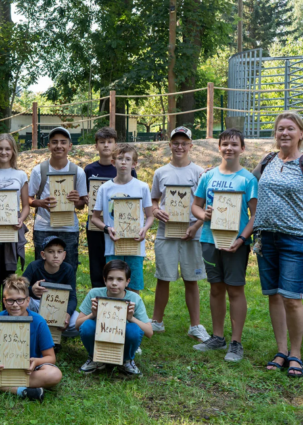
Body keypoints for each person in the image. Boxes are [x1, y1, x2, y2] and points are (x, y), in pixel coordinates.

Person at [253, 112, 303, 378]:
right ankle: (281, 350)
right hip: (267, 240)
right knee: (275, 296)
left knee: (292, 299)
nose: (284, 133)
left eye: (290, 129)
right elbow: (245, 184)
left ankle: (296, 354)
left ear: (300, 133)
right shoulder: (267, 161)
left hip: (297, 240)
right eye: (280, 129)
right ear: (275, 134)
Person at [191, 129, 258, 363]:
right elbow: (195, 207)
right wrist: (204, 214)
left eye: (234, 144)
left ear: (242, 148)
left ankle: (236, 343)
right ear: (218, 148)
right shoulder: (208, 177)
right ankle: (217, 337)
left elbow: (255, 215)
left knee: (235, 290)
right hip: (210, 240)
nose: (229, 148)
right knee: (216, 288)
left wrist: (242, 239)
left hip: (236, 243)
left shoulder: (248, 179)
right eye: (225, 144)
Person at [149, 127, 210, 342]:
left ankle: (195, 325)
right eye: (176, 143)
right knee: (163, 277)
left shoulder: (200, 172)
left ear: (191, 146)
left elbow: (205, 205)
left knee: (191, 279)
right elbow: (154, 200)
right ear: (170, 145)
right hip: (167, 230)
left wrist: (196, 226)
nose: (180, 146)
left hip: (192, 231)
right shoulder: (161, 172)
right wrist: (156, 211)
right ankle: (156, 321)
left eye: (184, 143)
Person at [0, 276, 62, 401]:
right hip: (4, 367)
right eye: (10, 301)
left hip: (30, 370)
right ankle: (22, 390)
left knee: (54, 374)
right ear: (4, 302)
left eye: (20, 300)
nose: (15, 305)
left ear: (28, 301)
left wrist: (35, 362)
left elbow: (50, 357)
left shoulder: (39, 321)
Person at [90, 144, 154, 293]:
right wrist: (107, 229)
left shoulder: (142, 187)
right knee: (113, 286)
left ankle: (131, 315)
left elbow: (150, 216)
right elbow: (95, 218)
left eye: (128, 159)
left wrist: (144, 229)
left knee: (134, 286)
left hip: (135, 245)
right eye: (120, 158)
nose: (123, 162)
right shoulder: (105, 188)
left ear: (134, 164)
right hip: (113, 245)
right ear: (113, 162)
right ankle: (115, 316)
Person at [28, 127, 88, 280]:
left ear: (70, 146)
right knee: (41, 271)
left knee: (68, 269)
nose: (58, 146)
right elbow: (27, 199)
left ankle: (67, 302)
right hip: (44, 227)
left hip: (68, 228)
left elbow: (82, 204)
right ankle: (39, 302)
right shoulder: (39, 170)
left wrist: (77, 201)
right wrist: (40, 202)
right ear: (48, 146)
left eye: (63, 142)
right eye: (54, 142)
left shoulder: (78, 171)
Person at [76, 260, 153, 375]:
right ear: (104, 280)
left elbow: (149, 332)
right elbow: (78, 325)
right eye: (110, 278)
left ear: (127, 282)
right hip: (100, 336)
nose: (114, 283)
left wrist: (131, 318)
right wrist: (93, 314)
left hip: (123, 341)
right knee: (87, 325)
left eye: (120, 279)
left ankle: (126, 360)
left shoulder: (135, 298)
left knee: (134, 329)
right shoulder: (94, 294)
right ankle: (95, 358)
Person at [0, 133, 29, 316]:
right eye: (0, 148)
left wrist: (20, 219)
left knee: (9, 276)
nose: (3, 152)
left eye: (7, 148)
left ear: (13, 151)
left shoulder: (21, 175)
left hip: (12, 228)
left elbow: (25, 206)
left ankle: (9, 316)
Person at [83, 127, 135, 288]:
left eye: (110, 142)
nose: (106, 145)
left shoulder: (123, 167)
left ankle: (118, 296)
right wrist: (86, 199)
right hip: (95, 225)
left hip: (118, 224)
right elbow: (85, 196)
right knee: (97, 263)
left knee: (116, 264)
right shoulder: (89, 170)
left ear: (115, 144)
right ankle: (98, 297)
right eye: (102, 142)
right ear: (96, 146)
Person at [24, 236, 78, 339]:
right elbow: (18, 289)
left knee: (78, 322)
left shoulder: (68, 270)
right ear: (43, 255)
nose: (56, 255)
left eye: (59, 251)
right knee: (22, 303)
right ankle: (32, 330)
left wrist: (67, 313)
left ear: (64, 255)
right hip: (37, 305)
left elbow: (72, 297)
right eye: (51, 252)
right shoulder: (34, 266)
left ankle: (55, 332)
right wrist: (31, 290)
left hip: (60, 306)